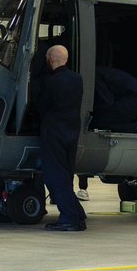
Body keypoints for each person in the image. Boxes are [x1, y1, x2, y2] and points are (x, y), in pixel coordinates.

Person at [36, 45, 86, 231]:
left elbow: (42, 106)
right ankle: (78, 214)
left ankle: (70, 218)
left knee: (55, 176)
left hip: (54, 132)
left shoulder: (49, 82)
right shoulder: (77, 79)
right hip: (72, 131)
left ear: (50, 59)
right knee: (65, 175)